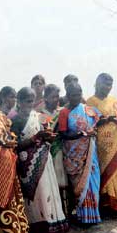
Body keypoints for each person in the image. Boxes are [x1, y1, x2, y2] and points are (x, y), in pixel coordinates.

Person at [11, 87, 68, 233]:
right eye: (28, 101)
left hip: (45, 160)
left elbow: (46, 135)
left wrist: (48, 137)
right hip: (29, 165)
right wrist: (35, 138)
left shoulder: (39, 116)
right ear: (20, 101)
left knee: (50, 192)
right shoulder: (15, 120)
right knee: (38, 196)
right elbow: (15, 145)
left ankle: (55, 226)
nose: (31, 104)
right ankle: (41, 230)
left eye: (33, 100)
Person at [0, 85, 29, 233]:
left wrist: (10, 141)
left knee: (10, 205)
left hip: (7, 168)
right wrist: (0, 144)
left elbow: (9, 134)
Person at [58, 82, 101, 224]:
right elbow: (63, 134)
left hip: (90, 152)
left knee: (92, 180)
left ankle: (93, 215)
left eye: (79, 94)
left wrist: (90, 132)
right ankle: (83, 217)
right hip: (74, 155)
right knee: (80, 186)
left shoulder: (87, 109)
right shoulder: (64, 112)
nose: (76, 97)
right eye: (73, 95)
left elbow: (97, 122)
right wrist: (80, 135)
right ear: (68, 96)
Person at [87, 73, 117, 213]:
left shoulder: (114, 100)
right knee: (105, 171)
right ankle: (106, 205)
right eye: (106, 83)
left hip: (116, 140)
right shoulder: (90, 102)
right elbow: (91, 122)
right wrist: (108, 120)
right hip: (102, 144)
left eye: (111, 84)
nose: (108, 87)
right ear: (98, 83)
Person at [37, 84, 70, 217]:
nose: (56, 99)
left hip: (62, 149)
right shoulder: (40, 115)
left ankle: (66, 213)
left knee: (64, 183)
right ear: (46, 98)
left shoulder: (62, 111)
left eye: (57, 96)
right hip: (48, 150)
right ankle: (56, 214)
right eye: (52, 97)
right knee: (53, 183)